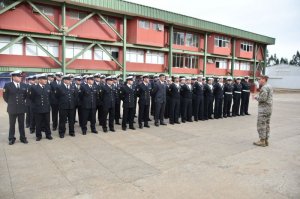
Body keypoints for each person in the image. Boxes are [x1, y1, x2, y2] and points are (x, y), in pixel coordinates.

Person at [3, 70, 28, 145]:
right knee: (12, 124)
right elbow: (5, 97)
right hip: (12, 108)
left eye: (21, 76)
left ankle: (23, 138)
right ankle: (11, 138)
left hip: (21, 108)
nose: (20, 78)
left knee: (21, 124)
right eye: (18, 76)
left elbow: (25, 96)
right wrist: (11, 103)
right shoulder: (7, 85)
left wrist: (20, 103)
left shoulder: (24, 85)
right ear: (13, 77)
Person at [29, 74, 53, 141]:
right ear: (39, 80)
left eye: (46, 79)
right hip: (38, 108)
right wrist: (36, 105)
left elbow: (50, 97)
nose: (45, 80)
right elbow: (31, 98)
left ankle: (48, 134)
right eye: (44, 79)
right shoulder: (34, 87)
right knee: (38, 123)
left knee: (47, 122)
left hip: (46, 108)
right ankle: (38, 136)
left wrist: (49, 105)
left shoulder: (48, 87)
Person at [253, 75, 273, 147]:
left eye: (260, 79)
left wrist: (256, 97)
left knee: (261, 124)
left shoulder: (264, 87)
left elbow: (262, 99)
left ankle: (262, 141)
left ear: (264, 80)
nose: (259, 80)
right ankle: (266, 140)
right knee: (267, 124)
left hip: (263, 109)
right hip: (269, 108)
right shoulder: (269, 86)